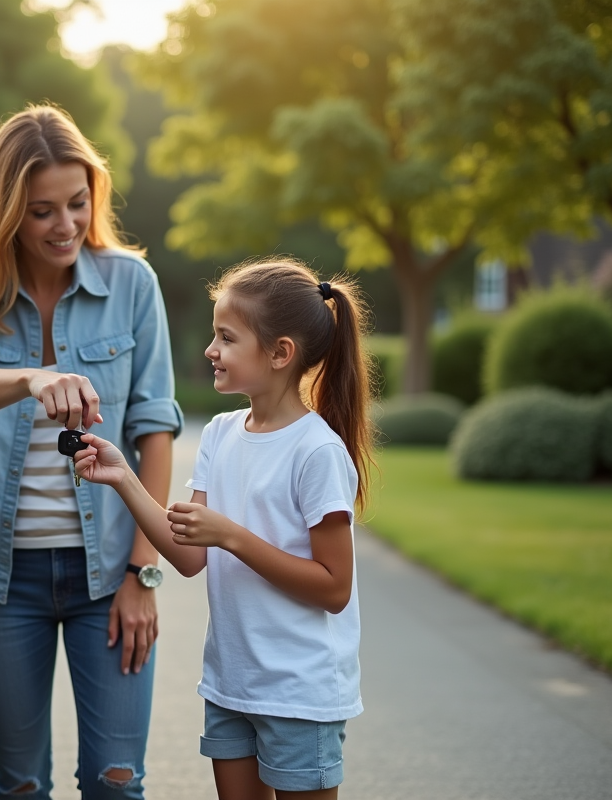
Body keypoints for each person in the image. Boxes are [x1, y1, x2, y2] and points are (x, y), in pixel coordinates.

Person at [0, 104, 183, 799]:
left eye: (76, 202)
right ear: (6, 212)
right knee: (22, 785)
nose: (64, 225)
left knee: (116, 782)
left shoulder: (132, 285)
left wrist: (141, 577)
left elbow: (153, 428)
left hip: (108, 578)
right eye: (41, 211)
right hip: (5, 585)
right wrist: (32, 377)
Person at [72, 259, 375, 799]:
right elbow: (190, 555)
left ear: (280, 353)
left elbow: (334, 588)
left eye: (226, 338)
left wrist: (231, 535)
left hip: (300, 695)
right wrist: (123, 478)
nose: (211, 350)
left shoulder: (317, 451)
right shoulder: (218, 433)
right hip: (233, 685)